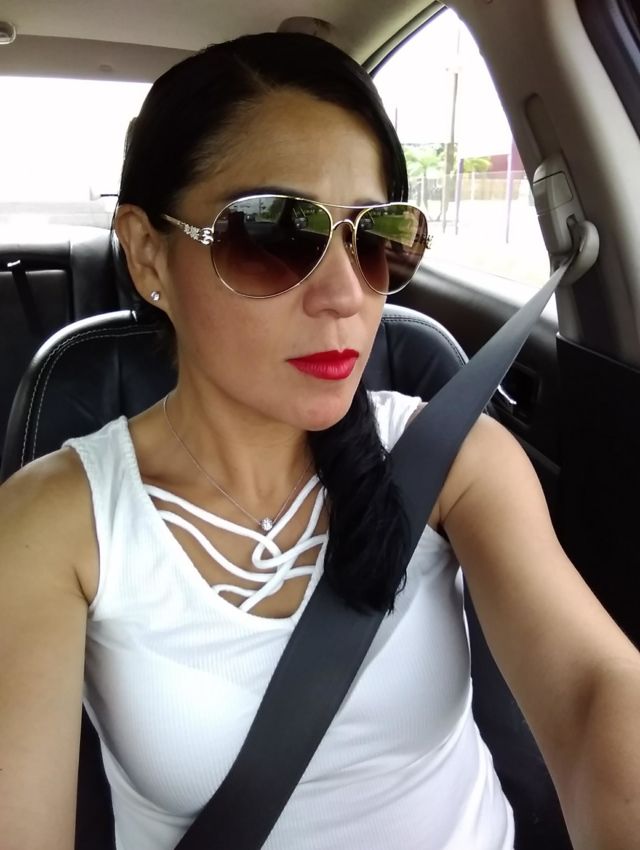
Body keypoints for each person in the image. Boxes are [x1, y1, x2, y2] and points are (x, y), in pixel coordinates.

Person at [0, 32, 639, 850]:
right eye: (273, 234)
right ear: (149, 254)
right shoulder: (56, 523)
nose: (344, 293)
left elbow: (593, 693)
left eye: (373, 236)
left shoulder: (455, 462)